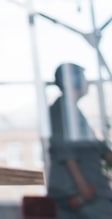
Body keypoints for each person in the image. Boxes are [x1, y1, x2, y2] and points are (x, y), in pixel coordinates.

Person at [47, 62, 112, 218]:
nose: (87, 82)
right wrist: (82, 185)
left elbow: (96, 147)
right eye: (83, 77)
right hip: (82, 193)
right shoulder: (61, 110)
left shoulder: (73, 112)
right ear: (73, 81)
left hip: (91, 190)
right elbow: (65, 150)